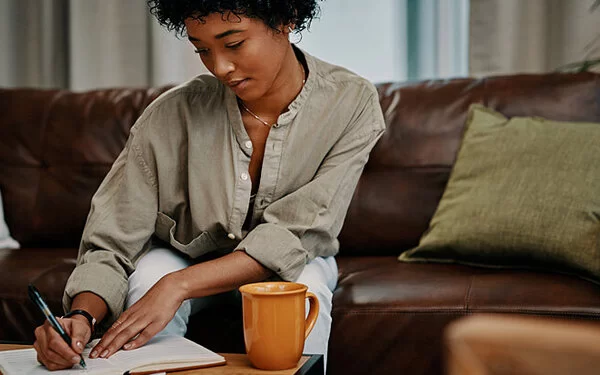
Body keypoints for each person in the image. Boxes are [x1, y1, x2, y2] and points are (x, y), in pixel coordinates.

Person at [33, 0, 386, 371]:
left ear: (285, 20)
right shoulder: (171, 113)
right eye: (202, 49)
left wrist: (179, 285)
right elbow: (111, 237)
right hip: (186, 255)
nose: (220, 67)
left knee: (304, 293)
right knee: (150, 275)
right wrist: (81, 317)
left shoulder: (352, 102)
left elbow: (298, 233)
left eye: (233, 44)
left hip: (296, 262)